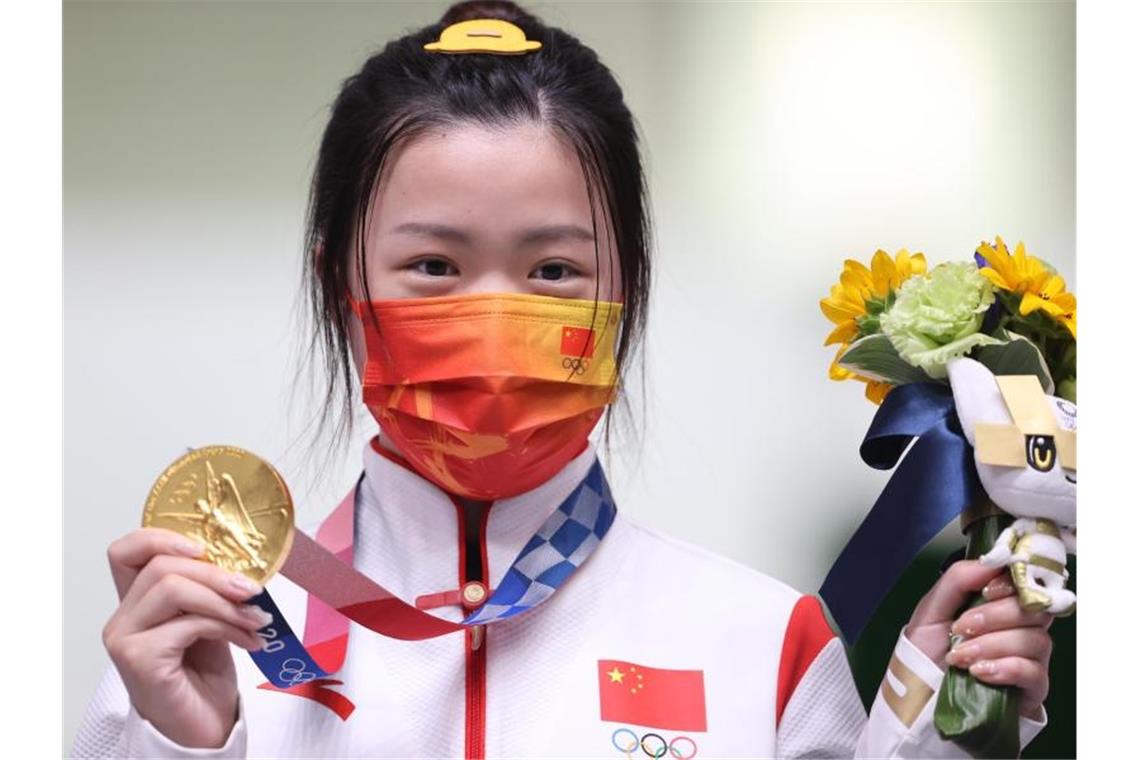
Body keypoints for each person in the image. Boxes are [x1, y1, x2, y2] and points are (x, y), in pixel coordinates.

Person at [72, 1, 1054, 757]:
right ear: (343, 285)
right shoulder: (211, 649)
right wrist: (173, 741)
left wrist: (941, 723)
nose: (495, 315)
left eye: (552, 271)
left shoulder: (767, 643)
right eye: (435, 269)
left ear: (624, 289)